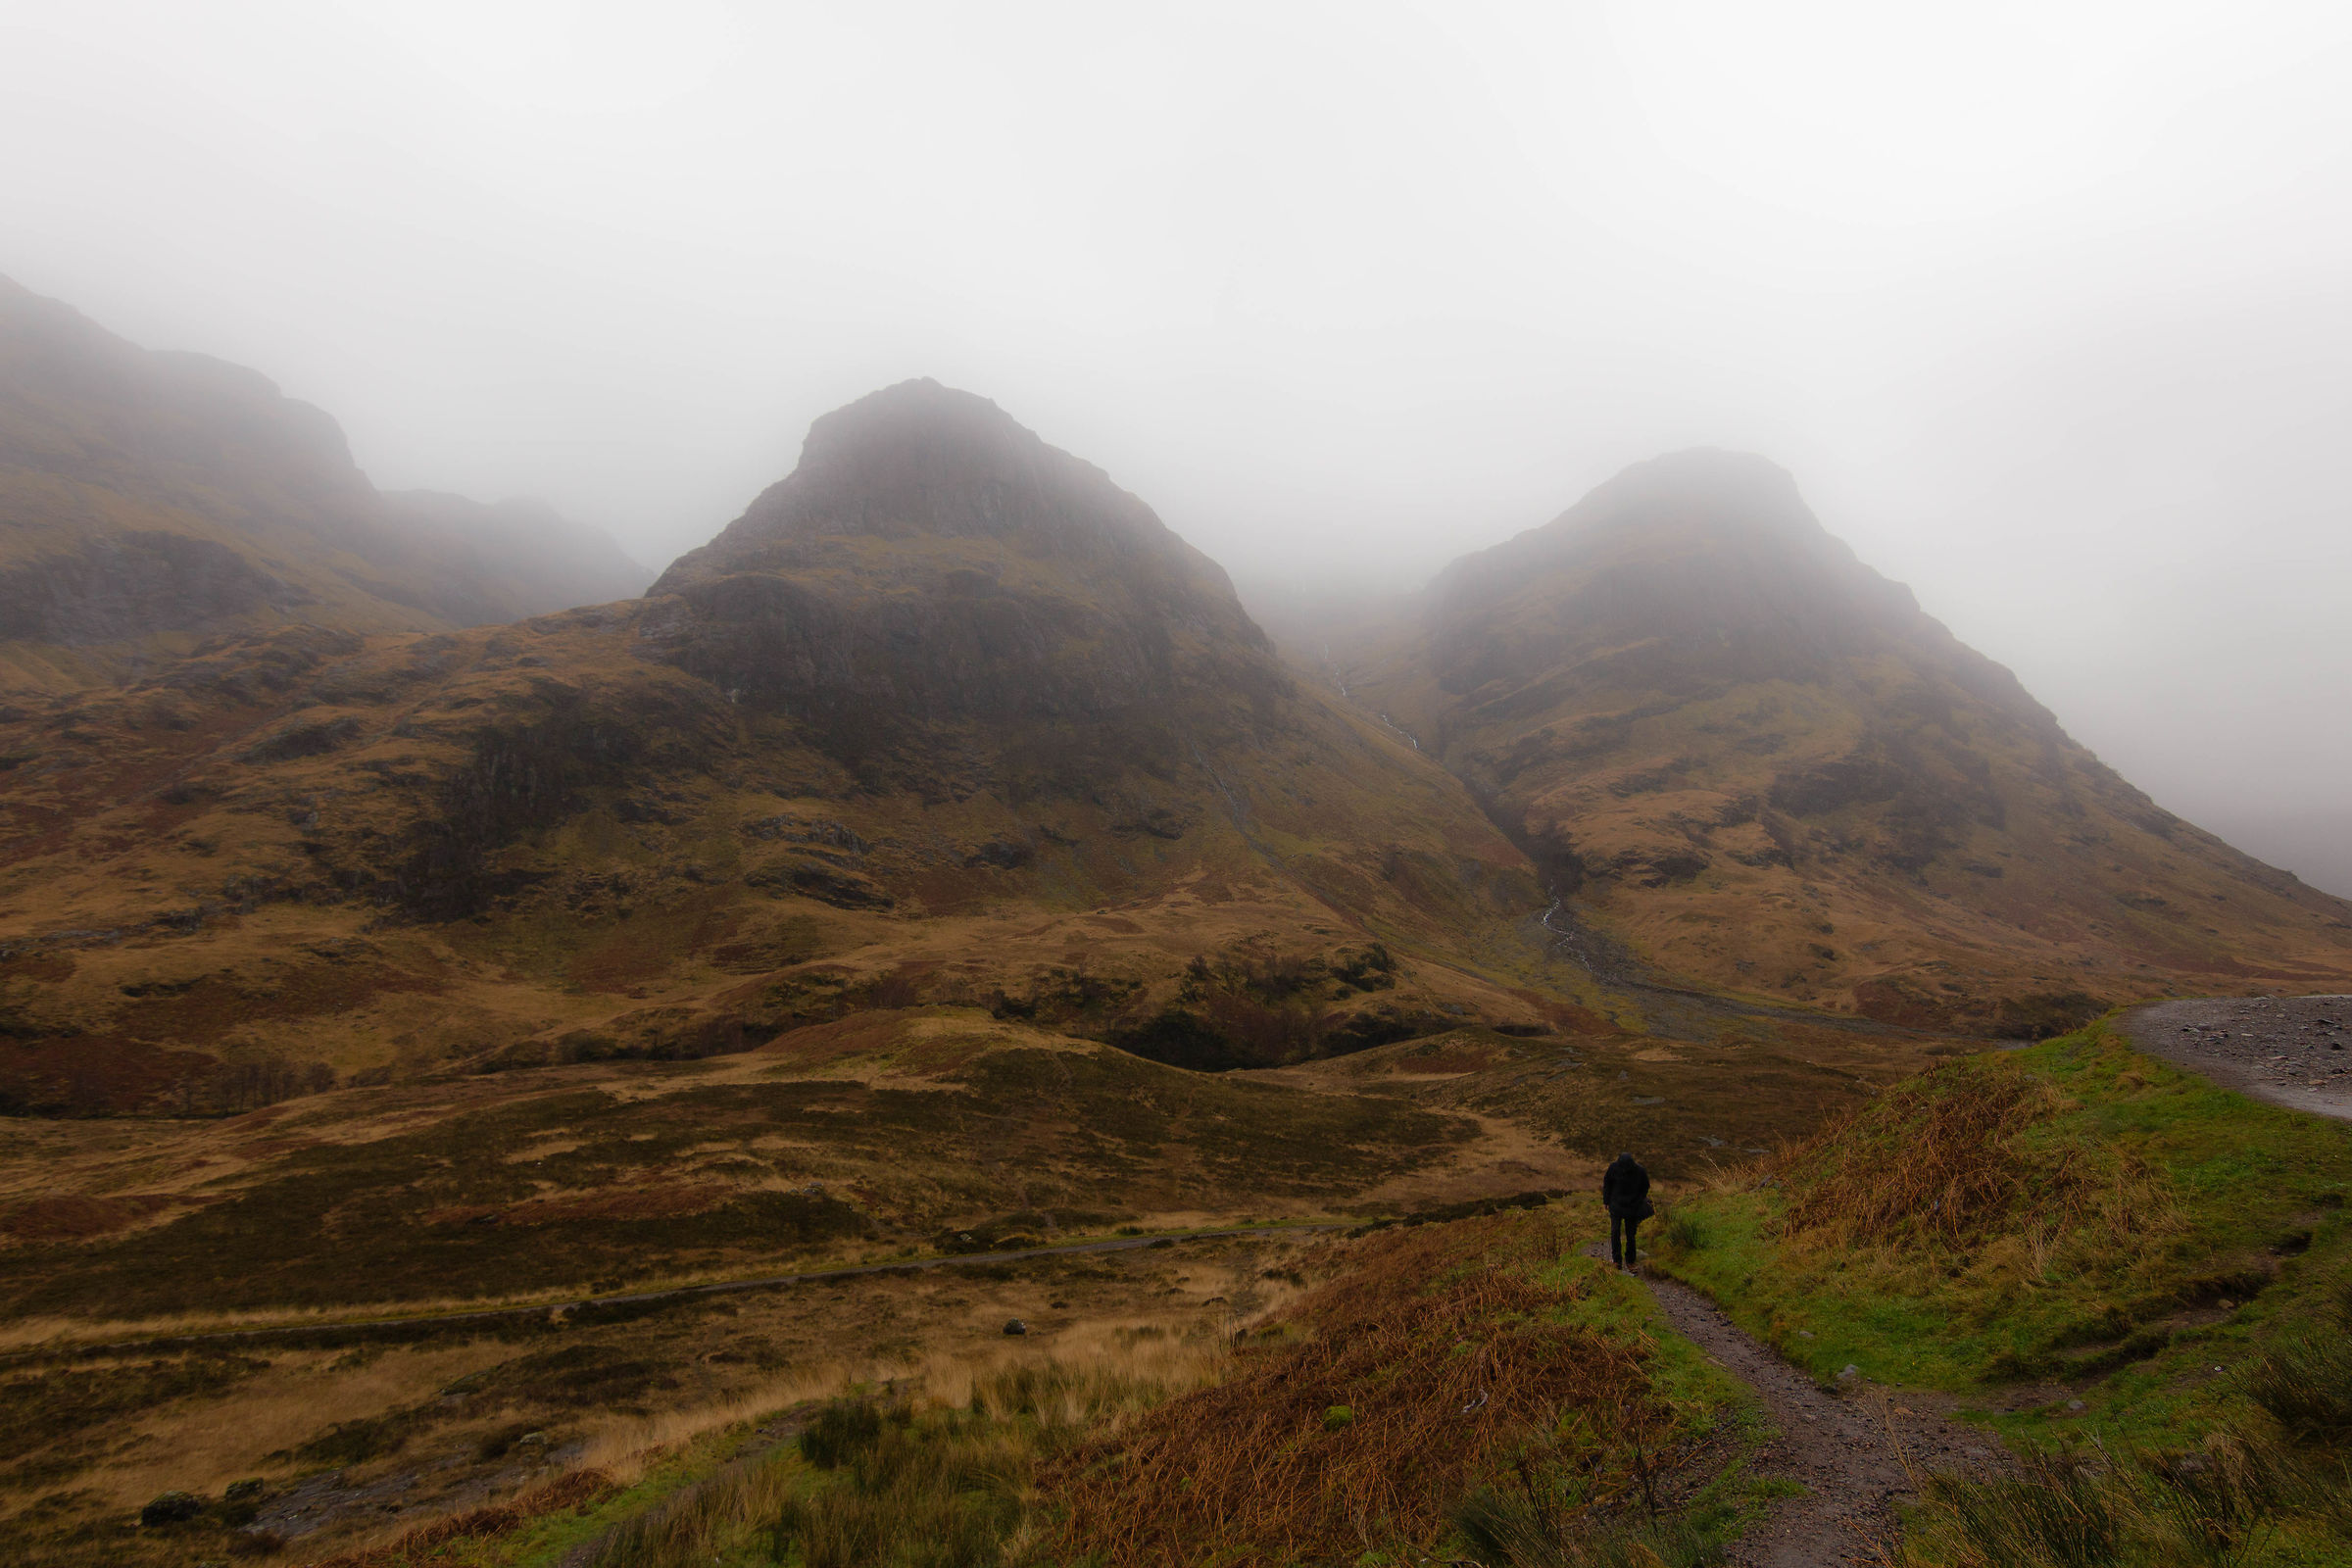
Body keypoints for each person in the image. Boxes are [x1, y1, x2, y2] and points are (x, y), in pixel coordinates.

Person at [1601, 1152, 1651, 1270]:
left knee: (1631, 1235)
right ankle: (1616, 1261)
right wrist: (1606, 1201)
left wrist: (1638, 1201)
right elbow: (1607, 1184)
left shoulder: (1640, 1171)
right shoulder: (1613, 1168)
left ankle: (1630, 1261)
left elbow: (1645, 1187)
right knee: (1615, 1232)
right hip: (1616, 1206)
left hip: (1632, 1207)